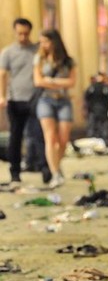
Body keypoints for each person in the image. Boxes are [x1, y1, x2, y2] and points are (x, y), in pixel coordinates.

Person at [0, 18, 50, 188]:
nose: (22, 37)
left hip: (36, 99)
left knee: (39, 135)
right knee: (16, 137)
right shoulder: (8, 52)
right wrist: (2, 96)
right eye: (20, 33)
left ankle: (45, 169)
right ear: (15, 32)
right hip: (15, 100)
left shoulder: (38, 50)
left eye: (26, 33)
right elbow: (3, 74)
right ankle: (15, 173)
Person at [33, 29, 77, 188]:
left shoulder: (68, 61)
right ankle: (55, 173)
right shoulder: (39, 59)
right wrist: (58, 82)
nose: (43, 44)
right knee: (50, 138)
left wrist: (50, 80)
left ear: (54, 42)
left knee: (63, 139)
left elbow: (71, 82)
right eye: (41, 41)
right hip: (45, 101)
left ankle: (57, 166)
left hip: (63, 101)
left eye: (46, 41)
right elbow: (38, 81)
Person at [84, 71, 108, 147]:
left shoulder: (107, 88)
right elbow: (86, 99)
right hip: (93, 112)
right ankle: (92, 145)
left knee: (105, 130)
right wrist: (85, 110)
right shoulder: (92, 88)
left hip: (105, 112)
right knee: (92, 130)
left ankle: (106, 144)